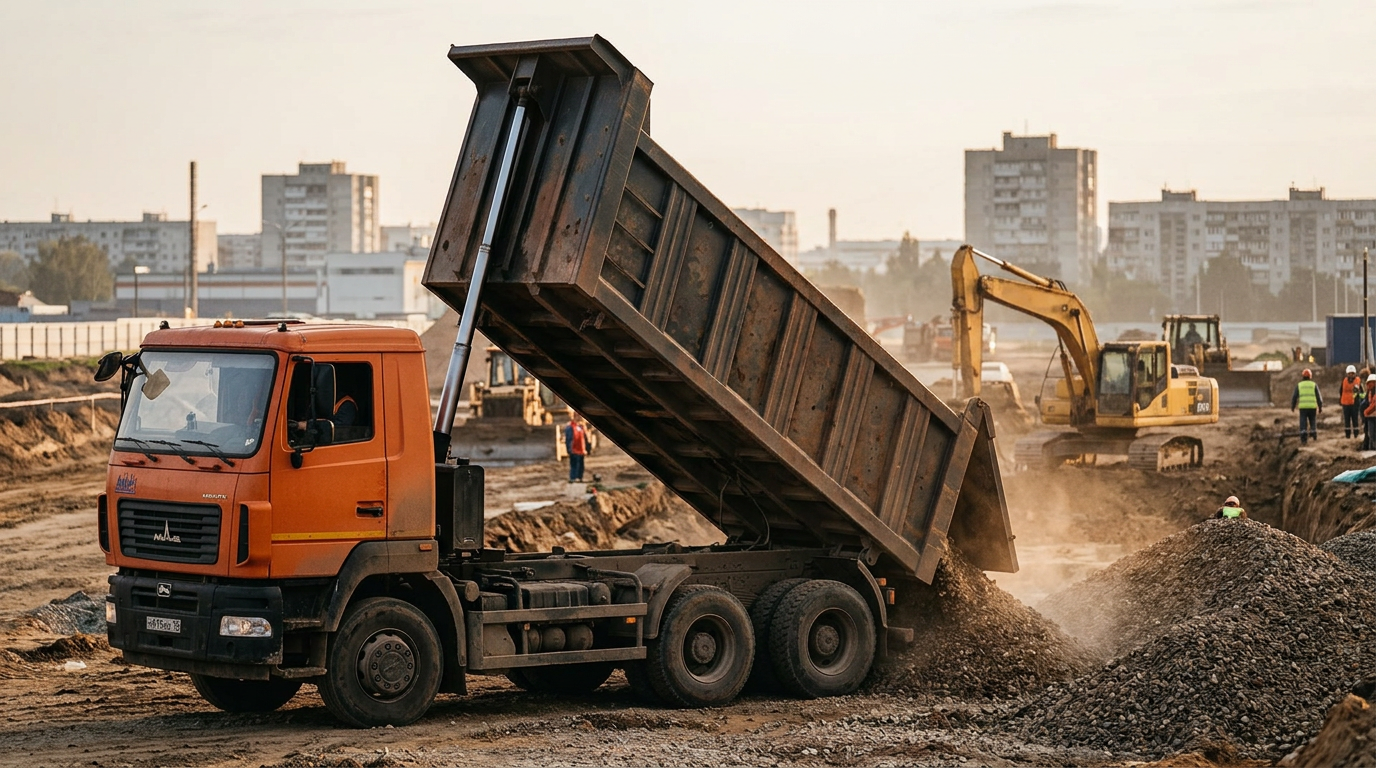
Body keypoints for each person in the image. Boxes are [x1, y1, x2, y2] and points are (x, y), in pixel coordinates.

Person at [1292, 368, 1322, 444]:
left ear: (1302, 376)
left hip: (1303, 407)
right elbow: (1319, 397)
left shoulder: (1299, 385)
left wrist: (1293, 406)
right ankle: (1313, 433)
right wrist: (1320, 406)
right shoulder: (1314, 385)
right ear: (1310, 376)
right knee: (1313, 420)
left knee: (1303, 421)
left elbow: (1294, 397)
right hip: (1312, 407)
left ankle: (1303, 437)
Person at [563, 414, 588, 483]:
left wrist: (587, 448)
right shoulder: (570, 427)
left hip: (581, 450)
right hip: (574, 450)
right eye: (579, 416)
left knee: (581, 466)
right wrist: (569, 449)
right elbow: (568, 439)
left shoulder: (581, 427)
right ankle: (573, 479)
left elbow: (585, 439)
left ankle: (579, 478)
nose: (580, 418)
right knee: (574, 465)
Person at [1340, 365, 1363, 438]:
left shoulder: (1358, 381)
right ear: (1347, 374)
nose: (1351, 375)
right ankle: (1348, 435)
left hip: (1355, 404)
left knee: (1355, 419)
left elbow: (1362, 392)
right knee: (1347, 420)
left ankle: (1356, 434)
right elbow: (1341, 391)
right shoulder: (1344, 381)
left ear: (1355, 374)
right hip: (1346, 403)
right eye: (1349, 373)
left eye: (1352, 373)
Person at [1364, 374, 1376, 450]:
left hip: (1372, 415)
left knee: (1373, 433)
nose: (1370, 384)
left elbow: (1374, 405)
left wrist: (1366, 412)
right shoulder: (1369, 392)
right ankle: (1371, 447)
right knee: (1370, 433)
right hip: (1370, 417)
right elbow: (1366, 402)